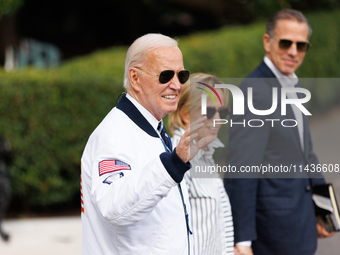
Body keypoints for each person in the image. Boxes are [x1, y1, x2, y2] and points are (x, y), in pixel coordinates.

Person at [80, 33, 212, 255]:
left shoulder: (153, 129)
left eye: (182, 75)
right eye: (166, 75)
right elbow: (114, 207)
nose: (177, 85)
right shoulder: (114, 134)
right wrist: (174, 163)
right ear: (135, 78)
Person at [224, 9, 335, 255]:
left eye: (301, 45)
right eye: (286, 43)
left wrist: (325, 211)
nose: (293, 52)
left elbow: (307, 153)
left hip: (301, 223)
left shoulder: (294, 83)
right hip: (272, 234)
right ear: (267, 42)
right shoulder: (254, 92)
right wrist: (241, 240)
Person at [169, 73, 234, 255]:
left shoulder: (205, 153)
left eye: (222, 112)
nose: (217, 120)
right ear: (185, 114)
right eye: (210, 112)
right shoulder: (178, 159)